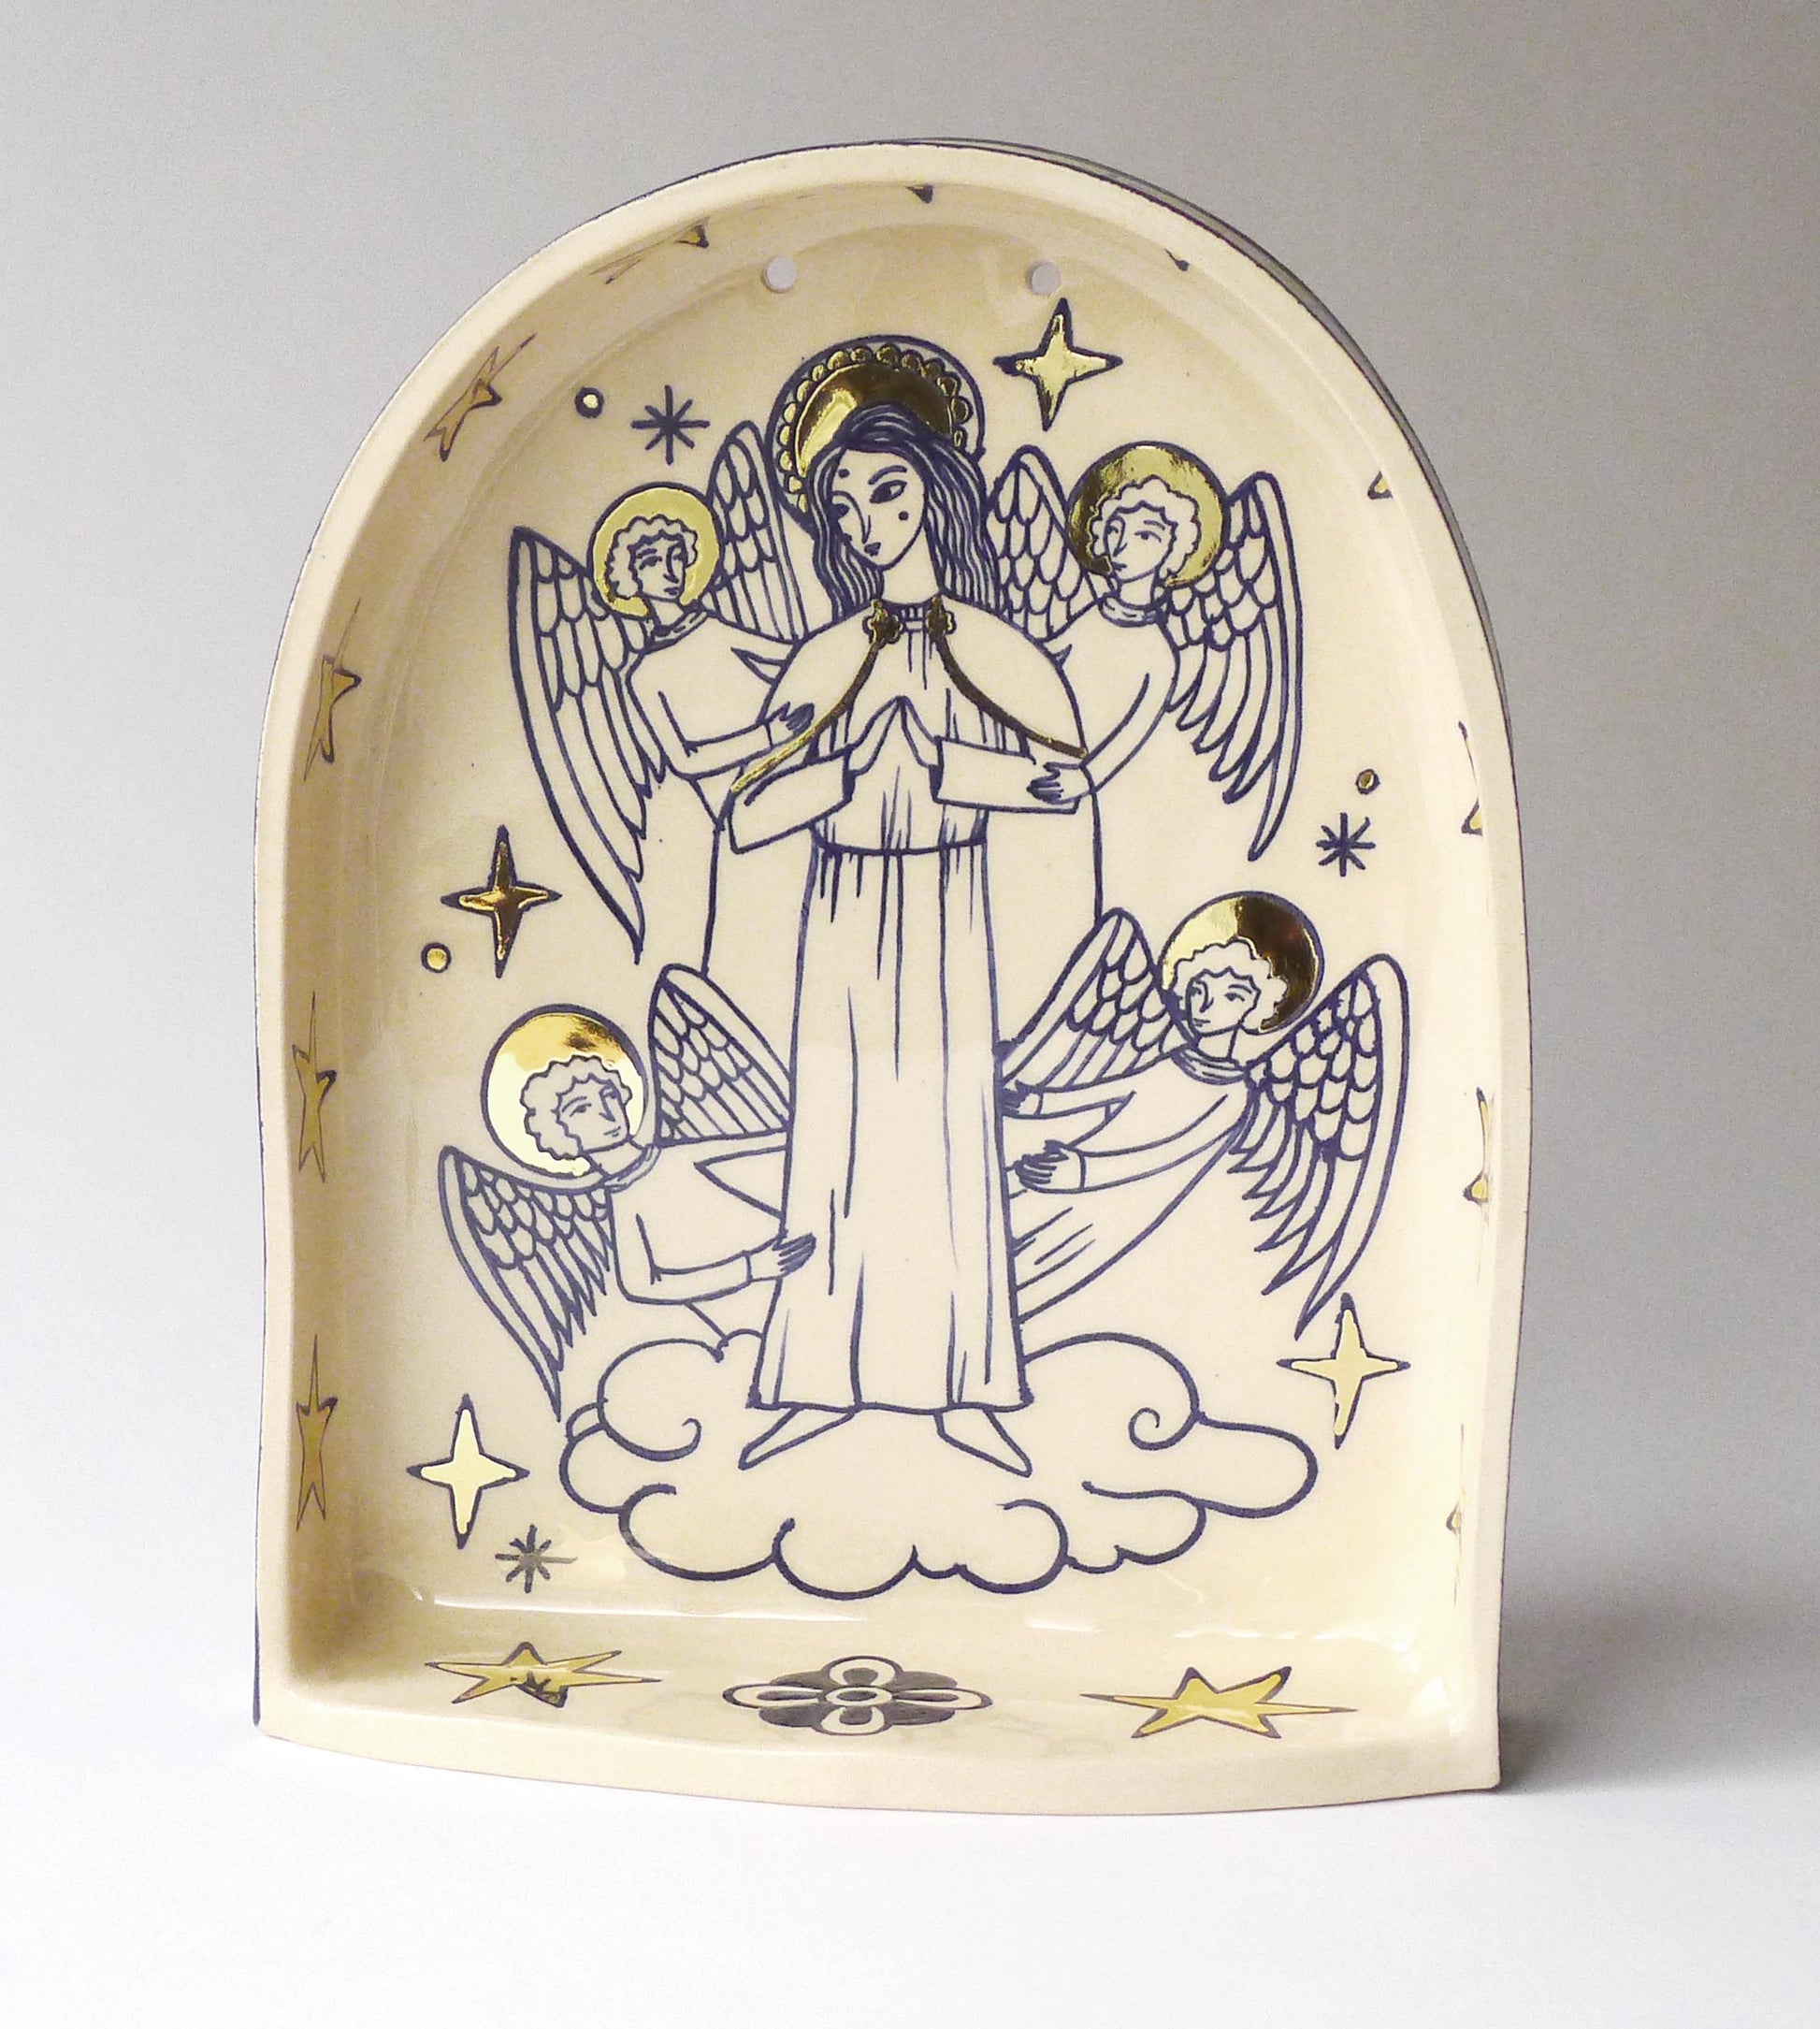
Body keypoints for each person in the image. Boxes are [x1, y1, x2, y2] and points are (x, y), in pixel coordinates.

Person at [728, 399, 1084, 1473]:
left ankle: (964, 1384)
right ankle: (812, 1376)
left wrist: (943, 766)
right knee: (837, 1137)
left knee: (943, 1134)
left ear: (936, 495)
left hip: (944, 903)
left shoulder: (994, 649)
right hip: (843, 907)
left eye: (888, 493)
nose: (867, 522)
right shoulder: (825, 656)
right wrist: (844, 770)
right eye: (843, 506)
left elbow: (1063, 782)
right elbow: (746, 812)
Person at [600, 508, 811, 1049]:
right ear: (630, 579)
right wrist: (766, 736)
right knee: (754, 950)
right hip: (742, 815)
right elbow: (686, 758)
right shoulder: (644, 674)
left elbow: (790, 660)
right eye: (652, 561)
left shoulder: (714, 629)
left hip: (793, 794)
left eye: (676, 557)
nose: (669, 570)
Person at [1008, 932, 1287, 1315]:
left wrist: (1084, 1172)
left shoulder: (1233, 1094)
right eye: (1199, 990)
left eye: (1232, 996)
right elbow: (1112, 1092)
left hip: (1116, 1200)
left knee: (1032, 1269)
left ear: (1256, 1010)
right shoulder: (1175, 1060)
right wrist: (1037, 1102)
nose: (1208, 1005)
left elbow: (1167, 1155)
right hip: (1075, 1172)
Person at [519, 1052, 815, 1311]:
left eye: (609, 1096)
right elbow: (642, 1286)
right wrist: (750, 1268)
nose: (607, 1113)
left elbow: (772, 1145)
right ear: (560, 1134)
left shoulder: (678, 1157)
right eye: (581, 1108)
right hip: (768, 1283)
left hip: (801, 1249)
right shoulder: (624, 1203)